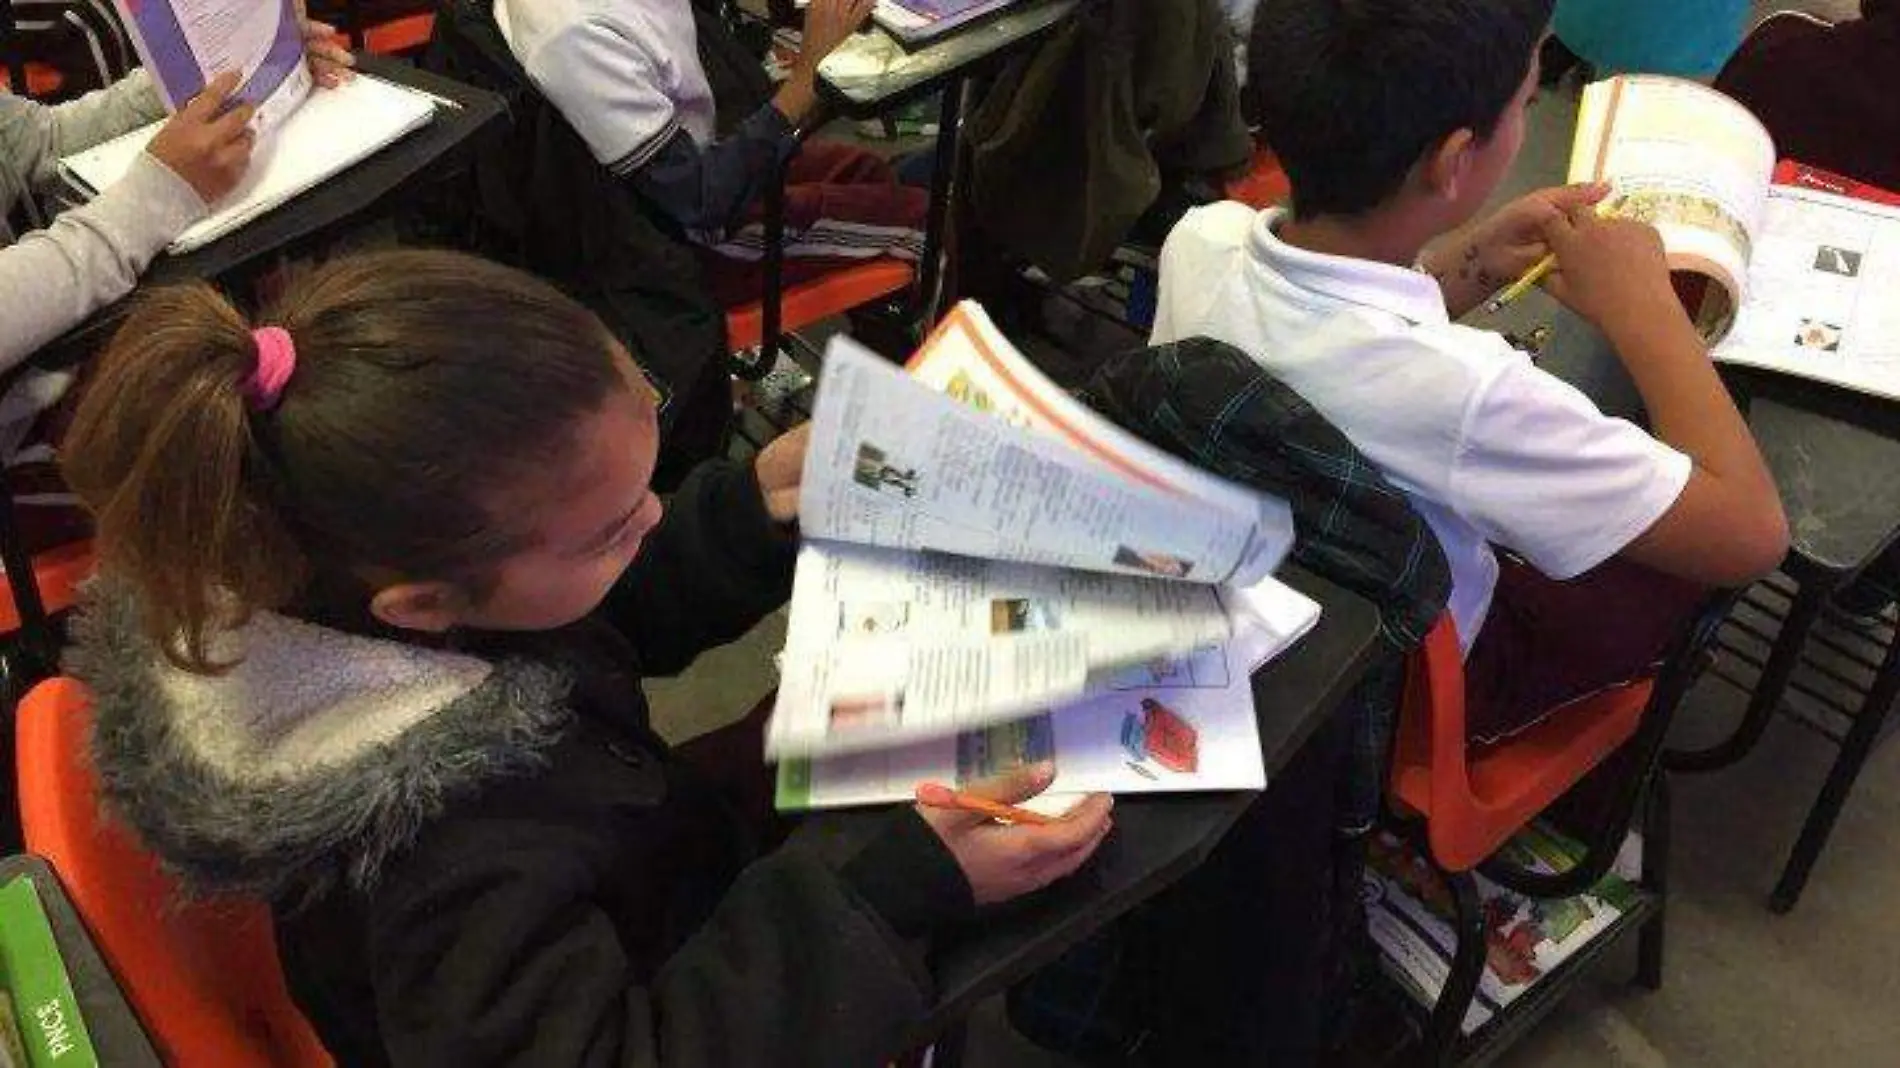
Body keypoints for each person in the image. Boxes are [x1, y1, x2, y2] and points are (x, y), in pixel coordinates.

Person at [59, 248, 1114, 1067]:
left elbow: (566, 627)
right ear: (426, 606)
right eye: (613, 527)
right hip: (682, 981)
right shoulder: (444, 866)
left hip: (655, 869)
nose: (651, 519)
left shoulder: (336, 572)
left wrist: (752, 510)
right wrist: (890, 896)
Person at [1154, 0, 1789, 744]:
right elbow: (1751, 535)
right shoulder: (1477, 396)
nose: (1526, 118)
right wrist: (1647, 310)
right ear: (1456, 160)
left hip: (1275, 611)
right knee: (1664, 583)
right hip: (1419, 702)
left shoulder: (1200, 240)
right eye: (1524, 103)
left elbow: (1338, 343)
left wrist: (1476, 256)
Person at [0, 10, 352, 551]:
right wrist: (161, 192)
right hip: (24, 427)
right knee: (256, 465)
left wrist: (225, 83)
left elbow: (40, 142)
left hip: (55, 357)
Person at [492, 0, 927, 308]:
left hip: (693, 160)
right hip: (680, 246)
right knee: (922, 222)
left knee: (864, 170)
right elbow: (701, 202)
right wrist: (808, 76)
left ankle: (883, 332)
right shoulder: (577, 32)